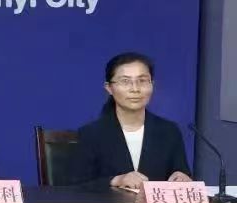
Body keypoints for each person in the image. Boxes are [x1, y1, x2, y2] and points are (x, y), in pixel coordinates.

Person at [73, 52, 192, 190]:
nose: (135, 89)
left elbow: (181, 173)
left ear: (152, 85)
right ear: (109, 88)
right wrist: (116, 180)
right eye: (125, 81)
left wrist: (182, 177)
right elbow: (76, 185)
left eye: (142, 81)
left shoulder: (169, 131)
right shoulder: (91, 134)